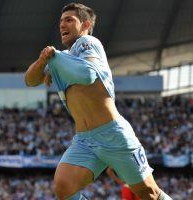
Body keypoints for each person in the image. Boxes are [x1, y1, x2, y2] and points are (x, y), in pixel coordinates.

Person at [25, 2, 172, 200]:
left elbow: (87, 75)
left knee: (149, 194)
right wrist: (44, 60)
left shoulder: (88, 43)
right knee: (63, 187)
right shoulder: (62, 59)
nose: (62, 25)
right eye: (61, 21)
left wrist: (56, 58)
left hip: (113, 134)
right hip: (84, 140)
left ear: (85, 25)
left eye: (69, 20)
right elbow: (30, 80)